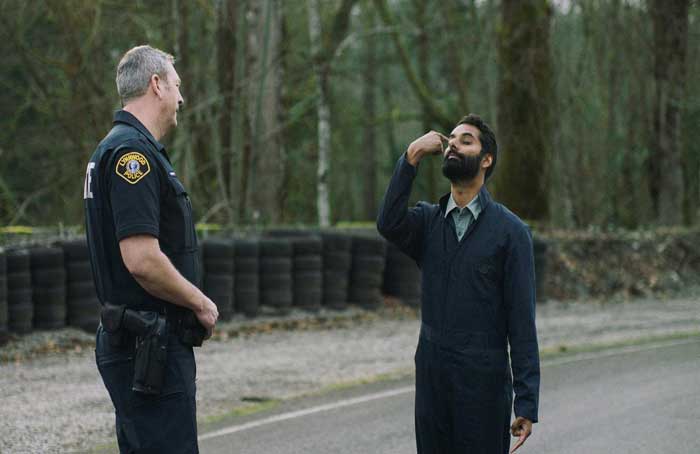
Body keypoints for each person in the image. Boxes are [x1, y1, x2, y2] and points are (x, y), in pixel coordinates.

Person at [377, 114, 540, 454]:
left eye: (466, 140)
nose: (454, 143)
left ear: (486, 159)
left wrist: (526, 403)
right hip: (433, 377)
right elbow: (389, 223)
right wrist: (411, 157)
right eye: (451, 138)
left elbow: (522, 322)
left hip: (484, 384)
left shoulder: (511, 233)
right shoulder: (428, 222)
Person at [83, 45, 219, 453]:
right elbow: (141, 259)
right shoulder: (132, 156)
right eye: (177, 86)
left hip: (140, 343)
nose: (181, 98)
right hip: (147, 346)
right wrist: (200, 303)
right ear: (156, 85)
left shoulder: (119, 148)